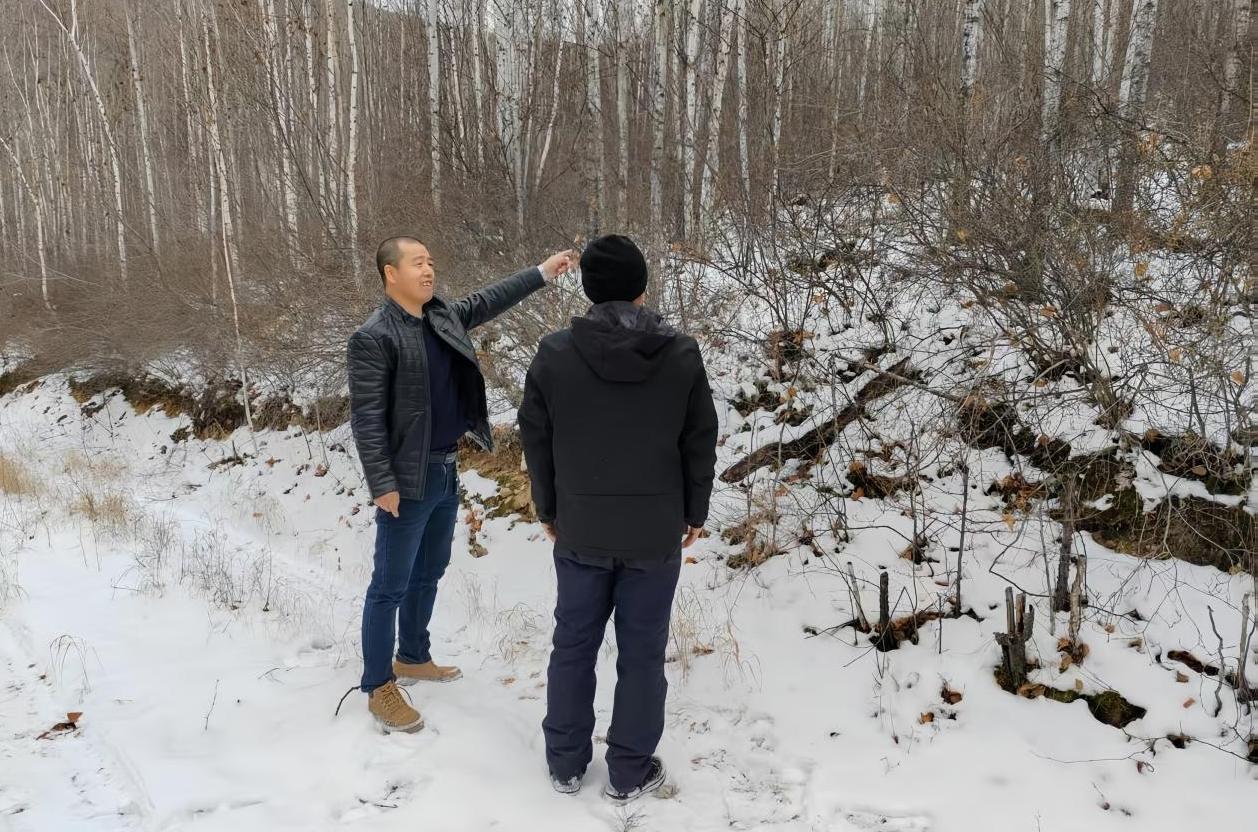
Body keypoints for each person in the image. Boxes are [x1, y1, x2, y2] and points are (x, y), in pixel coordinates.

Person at [517, 234, 719, 803]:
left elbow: (537, 438)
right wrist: (695, 511)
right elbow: (699, 439)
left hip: (581, 526)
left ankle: (565, 764)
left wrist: (549, 507)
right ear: (641, 288)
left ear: (587, 290)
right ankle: (628, 771)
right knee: (642, 653)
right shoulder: (680, 354)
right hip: (653, 533)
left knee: (573, 645)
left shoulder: (555, 354)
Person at [348, 236, 575, 733]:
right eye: (418, 263)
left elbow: (489, 299)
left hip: (446, 468)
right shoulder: (374, 337)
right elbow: (366, 418)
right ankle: (378, 686)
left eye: (431, 261)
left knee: (429, 570)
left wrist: (542, 272)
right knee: (389, 585)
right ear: (391, 273)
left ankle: (412, 655)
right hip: (407, 478)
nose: (429, 270)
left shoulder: (442, 316)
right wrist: (382, 482)